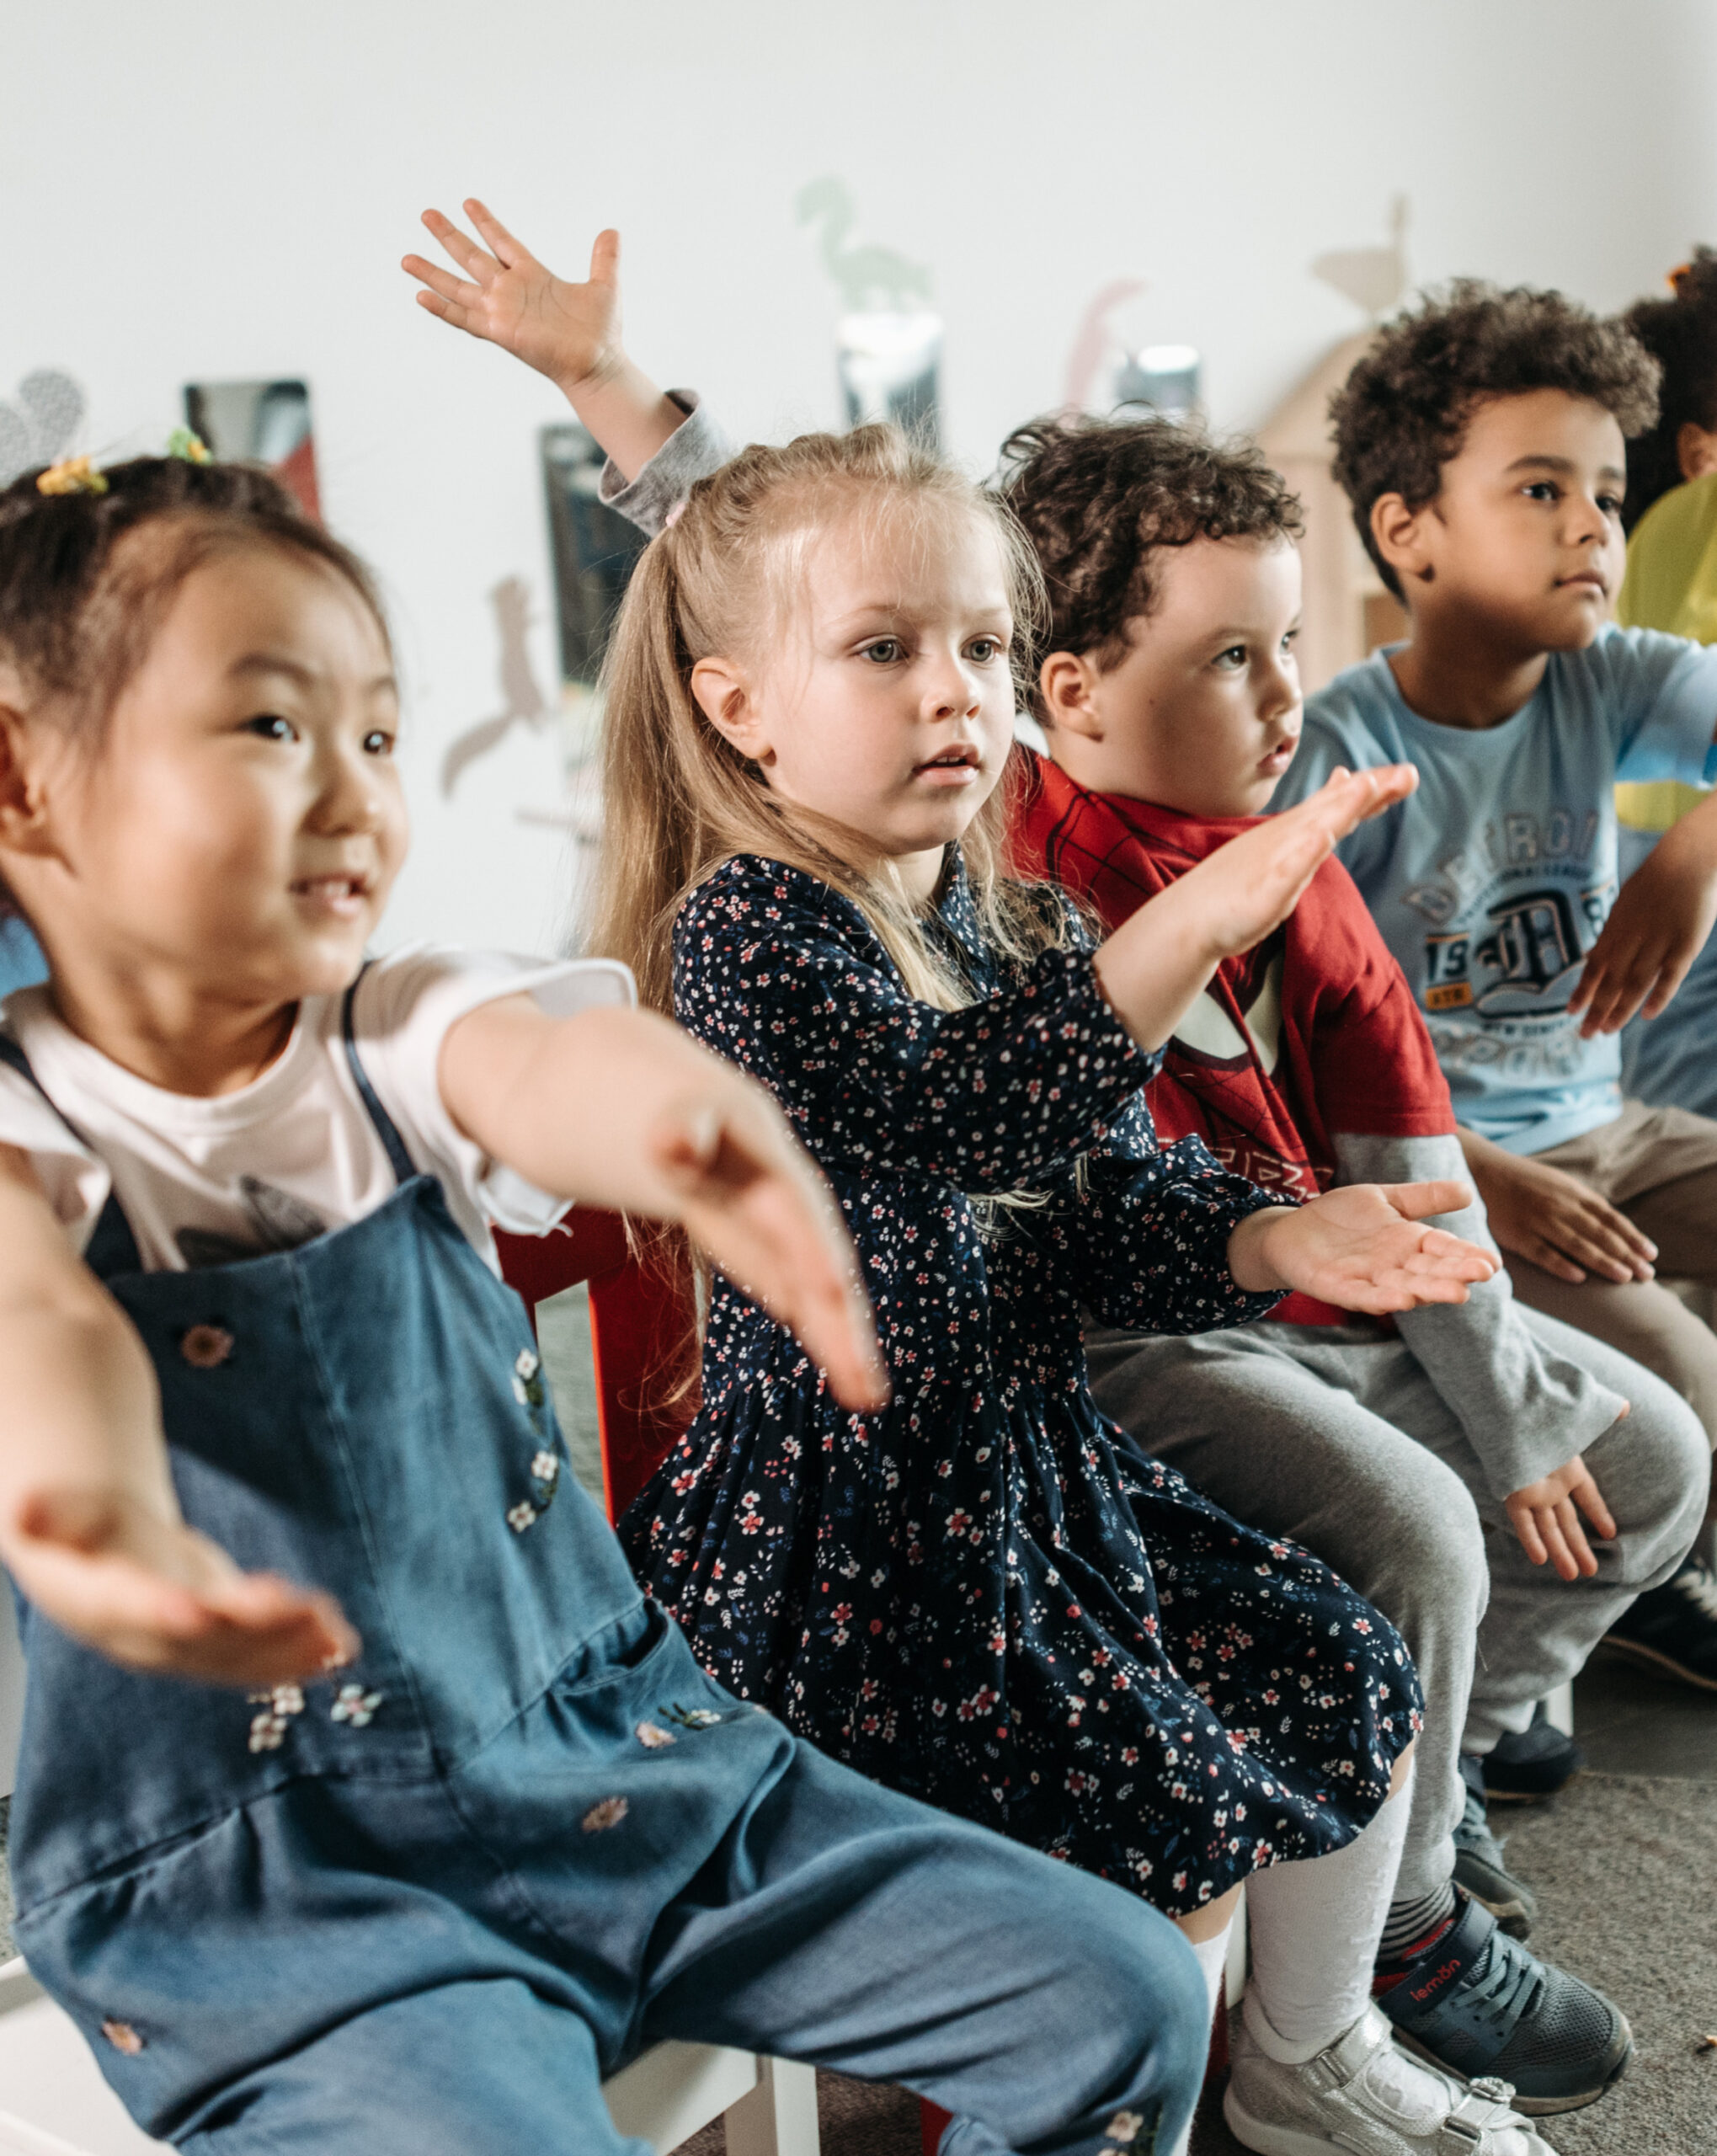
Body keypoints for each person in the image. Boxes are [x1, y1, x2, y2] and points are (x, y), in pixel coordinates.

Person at [405, 200, 1557, 2156]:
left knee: (1331, 1649)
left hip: (1026, 1479)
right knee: (1144, 1828)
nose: (955, 691)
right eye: (887, 651)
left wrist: (1276, 1223)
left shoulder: (1003, 914)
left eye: (981, 648)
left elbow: (1091, 1187)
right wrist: (1187, 919)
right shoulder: (748, 933)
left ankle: (1298, 2057)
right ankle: (1143, 2077)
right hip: (863, 1550)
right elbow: (963, 1116)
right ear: (736, 706)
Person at [0, 446, 1233, 2156]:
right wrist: (95, 1523)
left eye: (376, 734)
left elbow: (549, 1062)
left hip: (629, 1758)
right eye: (275, 727)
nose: (358, 792)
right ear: (22, 776)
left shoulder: (391, 1026)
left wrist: (703, 1134)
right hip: (303, 1894)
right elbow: (37, 1330)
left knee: (1119, 1996)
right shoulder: (27, 1132)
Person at [994, 410, 1698, 2116]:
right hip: (1135, 1328)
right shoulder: (1007, 856)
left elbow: (1408, 1170)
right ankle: (1398, 1929)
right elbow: (813, 613)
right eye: (1225, 655)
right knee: (1411, 1523)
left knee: (1649, 1453)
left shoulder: (1299, 859)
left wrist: (1517, 1407)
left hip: (1325, 1292)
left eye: (1287, 644)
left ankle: (1438, 1765)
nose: (1279, 691)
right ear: (1072, 689)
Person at [1270, 280, 1717, 1693]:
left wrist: (1690, 854)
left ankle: (1664, 1564)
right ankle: (1538, 1672)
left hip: (1605, 1126)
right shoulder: (1341, 751)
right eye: (1539, 488)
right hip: (1438, 1164)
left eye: (1601, 488)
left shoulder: (1608, 679)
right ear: (1408, 531)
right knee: (1672, 1369)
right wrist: (1476, 1178)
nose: (1592, 523)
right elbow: (1290, 1053)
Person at [1608, 252, 1717, 1123]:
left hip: (1665, 840)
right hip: (1656, 845)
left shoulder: (1666, 524)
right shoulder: (1671, 531)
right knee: (1674, 1093)